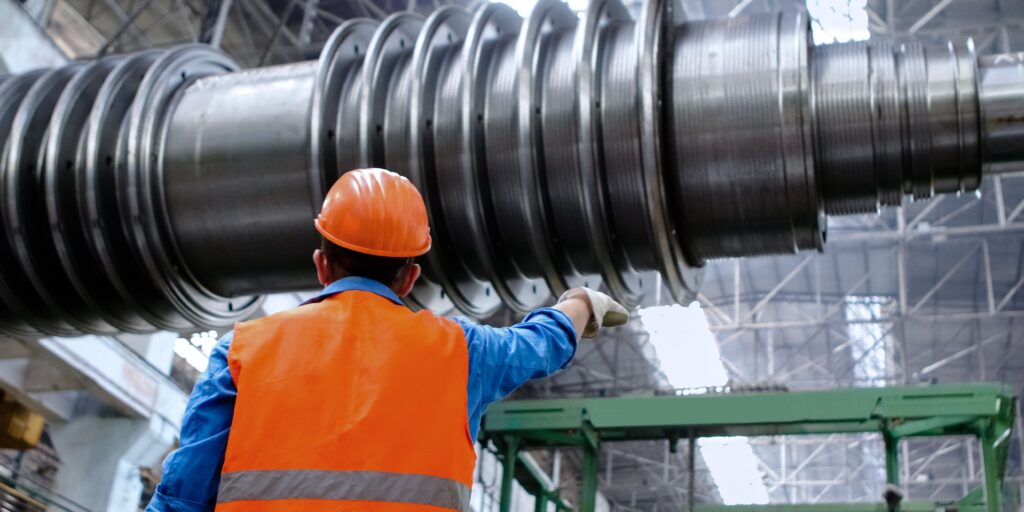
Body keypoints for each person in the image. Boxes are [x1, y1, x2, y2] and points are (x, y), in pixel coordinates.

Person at [146, 168, 628, 511]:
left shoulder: (244, 349)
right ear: (410, 277)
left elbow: (182, 497)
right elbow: (538, 344)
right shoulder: (462, 353)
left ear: (321, 264)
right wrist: (580, 303)